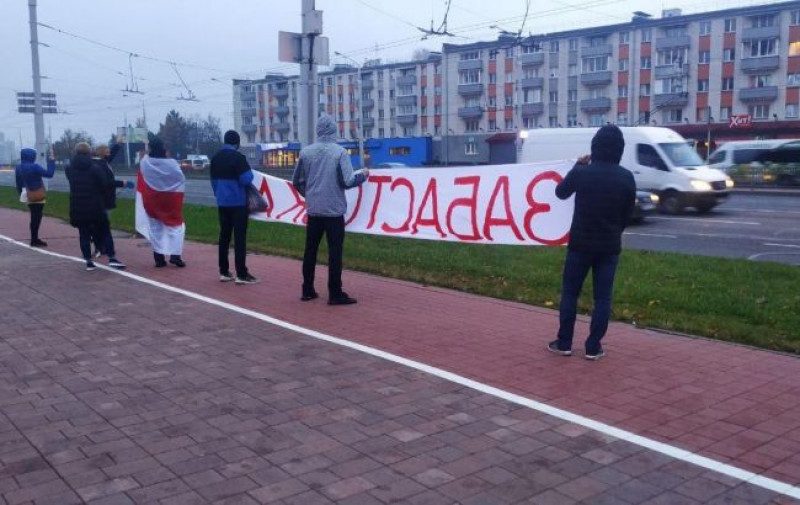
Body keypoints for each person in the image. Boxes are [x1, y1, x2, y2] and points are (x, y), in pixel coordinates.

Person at [549, 125, 636, 360]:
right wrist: (615, 231)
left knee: (570, 294)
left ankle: (564, 342)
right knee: (602, 298)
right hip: (609, 247)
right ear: (620, 149)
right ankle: (593, 346)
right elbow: (628, 214)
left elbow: (560, 193)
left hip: (579, 244)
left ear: (595, 147)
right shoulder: (627, 177)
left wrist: (578, 165)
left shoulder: (582, 172)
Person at [292, 113, 369, 305]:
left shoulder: (306, 153)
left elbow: (297, 181)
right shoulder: (339, 152)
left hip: (314, 210)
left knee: (310, 251)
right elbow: (348, 180)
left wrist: (309, 195)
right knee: (335, 253)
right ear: (334, 130)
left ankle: (307, 289)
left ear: (318, 130)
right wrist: (363, 175)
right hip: (334, 211)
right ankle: (335, 292)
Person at [209, 130, 257, 284]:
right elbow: (246, 178)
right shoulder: (239, 158)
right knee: (239, 238)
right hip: (238, 203)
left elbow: (213, 181)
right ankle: (241, 274)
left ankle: (224, 272)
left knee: (224, 236)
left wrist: (219, 194)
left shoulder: (215, 158)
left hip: (222, 202)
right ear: (237, 143)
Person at [65, 142, 117, 271]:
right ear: (89, 152)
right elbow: (104, 184)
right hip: (95, 205)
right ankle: (111, 258)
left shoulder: (69, 168)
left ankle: (88, 261)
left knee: (84, 234)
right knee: (105, 231)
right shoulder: (95, 167)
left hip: (77, 205)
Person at [137, 138, 186, 268]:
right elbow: (180, 178)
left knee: (155, 228)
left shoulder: (145, 162)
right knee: (176, 227)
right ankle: (175, 256)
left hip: (152, 199)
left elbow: (142, 175)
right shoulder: (172, 163)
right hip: (170, 200)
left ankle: (158, 258)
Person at [91, 142, 134, 267]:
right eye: (107, 150)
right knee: (102, 225)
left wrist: (118, 145)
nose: (109, 152)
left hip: (102, 198)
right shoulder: (100, 165)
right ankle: (105, 249)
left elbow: (111, 157)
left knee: (99, 224)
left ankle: (101, 247)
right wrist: (123, 183)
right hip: (102, 199)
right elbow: (107, 182)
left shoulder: (101, 162)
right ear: (103, 152)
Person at [15, 147, 55, 247]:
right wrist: (51, 161)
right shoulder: (34, 167)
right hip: (36, 192)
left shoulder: (19, 167)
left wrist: (20, 193)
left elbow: (18, 182)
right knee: (37, 217)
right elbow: (49, 174)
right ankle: (34, 239)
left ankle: (34, 238)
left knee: (34, 216)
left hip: (26, 193)